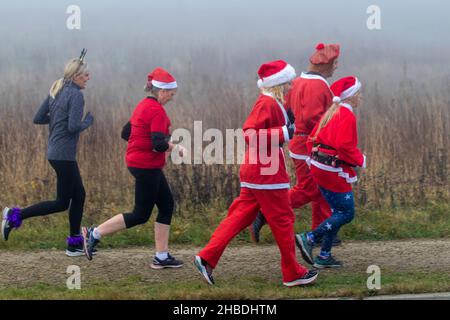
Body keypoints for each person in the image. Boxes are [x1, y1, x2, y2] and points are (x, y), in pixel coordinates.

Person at [194, 60, 319, 287]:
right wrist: (283, 131)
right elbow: (250, 135)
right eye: (288, 83)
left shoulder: (273, 104)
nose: (292, 86)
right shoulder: (266, 104)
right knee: (283, 220)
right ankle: (292, 274)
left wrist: (286, 122)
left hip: (257, 172)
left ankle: (206, 258)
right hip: (267, 175)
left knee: (240, 216)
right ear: (278, 85)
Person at [83, 67, 185, 269]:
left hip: (143, 164)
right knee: (140, 214)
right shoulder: (157, 111)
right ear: (162, 91)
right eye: (171, 94)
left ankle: (162, 257)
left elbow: (125, 132)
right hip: (146, 166)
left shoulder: (143, 106)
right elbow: (158, 144)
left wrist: (140, 144)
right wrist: (175, 146)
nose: (172, 98)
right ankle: (93, 233)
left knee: (166, 205)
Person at [1, 49, 94, 257]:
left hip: (55, 152)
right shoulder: (76, 95)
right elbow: (72, 127)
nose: (89, 78)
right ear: (76, 76)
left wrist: (56, 120)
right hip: (64, 155)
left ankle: (74, 244)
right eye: (86, 75)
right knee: (62, 202)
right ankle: (15, 216)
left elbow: (38, 117)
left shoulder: (57, 88)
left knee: (78, 195)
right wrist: (87, 122)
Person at [249, 43, 341, 246]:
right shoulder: (319, 86)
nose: (336, 67)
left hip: (300, 143)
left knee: (320, 188)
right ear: (326, 65)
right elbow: (311, 119)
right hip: (309, 145)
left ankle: (325, 231)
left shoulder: (298, 82)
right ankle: (265, 212)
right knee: (309, 189)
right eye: (335, 63)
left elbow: (287, 110)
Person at [297, 76, 366, 268]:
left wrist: (314, 159)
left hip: (320, 167)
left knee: (336, 212)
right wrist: (360, 160)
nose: (361, 97)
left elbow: (312, 139)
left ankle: (324, 257)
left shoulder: (332, 112)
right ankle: (309, 238)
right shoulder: (347, 115)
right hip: (332, 170)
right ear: (350, 97)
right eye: (358, 93)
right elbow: (344, 145)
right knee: (347, 213)